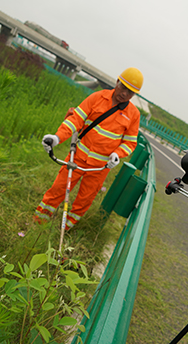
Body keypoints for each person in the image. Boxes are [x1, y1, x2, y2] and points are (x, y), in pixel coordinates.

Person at [34, 67, 143, 230]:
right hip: (77, 157)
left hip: (100, 168)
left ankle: (64, 229)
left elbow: (130, 143)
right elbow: (75, 120)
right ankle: (38, 224)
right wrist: (57, 138)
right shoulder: (97, 97)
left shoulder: (133, 114)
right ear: (117, 82)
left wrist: (117, 154)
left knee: (83, 201)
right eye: (124, 88)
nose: (125, 94)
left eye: (130, 92)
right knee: (58, 189)